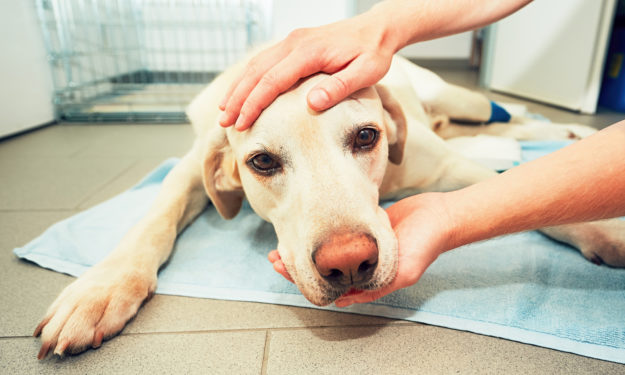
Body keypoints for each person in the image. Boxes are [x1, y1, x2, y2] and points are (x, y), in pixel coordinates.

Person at [219, 0, 625, 306]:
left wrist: (578, 225)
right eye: (266, 162)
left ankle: (516, 121)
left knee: (466, 106)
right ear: (229, 172)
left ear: (394, 131)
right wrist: (382, 26)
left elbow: (455, 168)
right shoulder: (223, 131)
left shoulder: (393, 114)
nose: (345, 255)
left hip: (415, 96)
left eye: (362, 139)